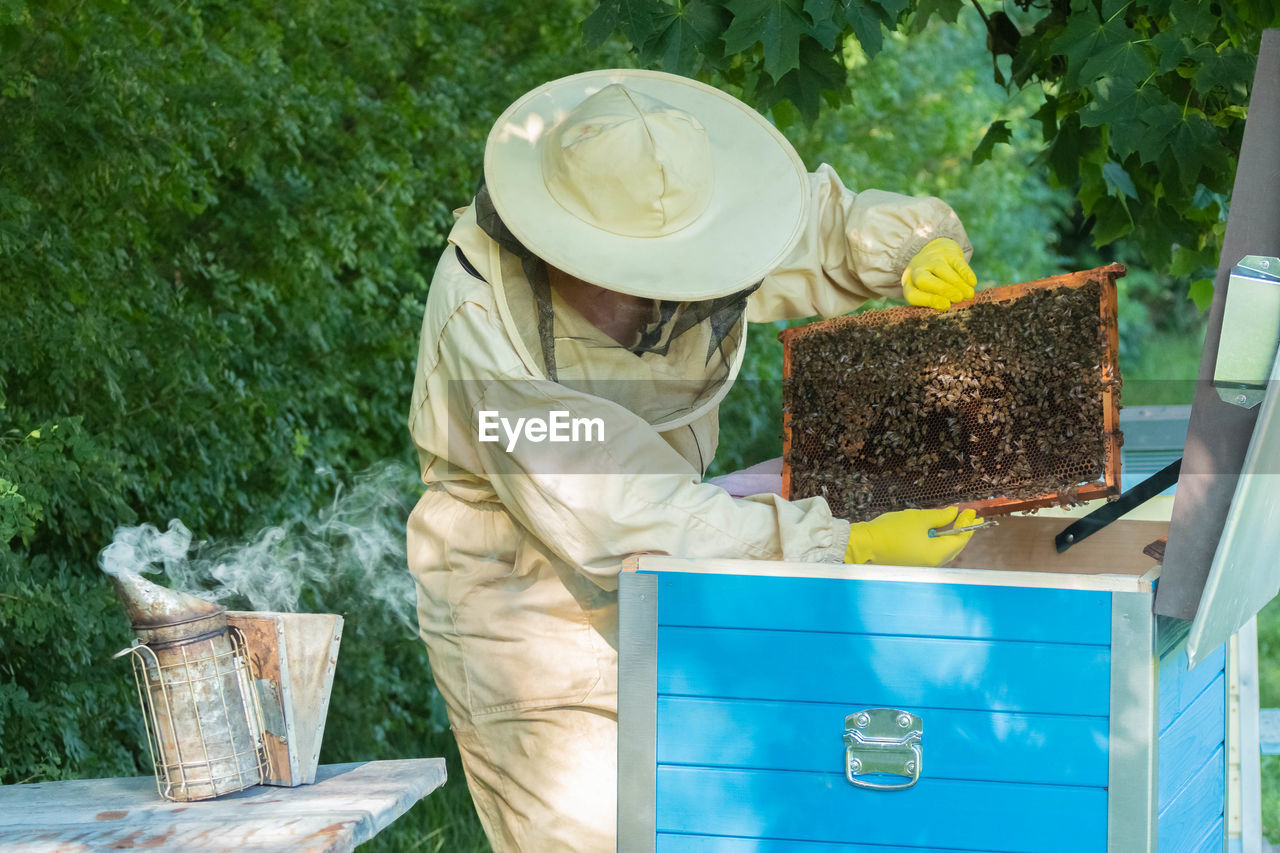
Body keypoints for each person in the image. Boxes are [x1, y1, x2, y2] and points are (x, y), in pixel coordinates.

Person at [406, 69, 981, 852]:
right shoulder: (484, 322)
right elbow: (613, 507)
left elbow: (817, 222)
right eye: (633, 276)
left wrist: (915, 245)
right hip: (527, 604)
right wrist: (839, 542)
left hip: (676, 552)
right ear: (556, 243)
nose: (659, 299)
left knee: (712, 826)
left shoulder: (683, 212)